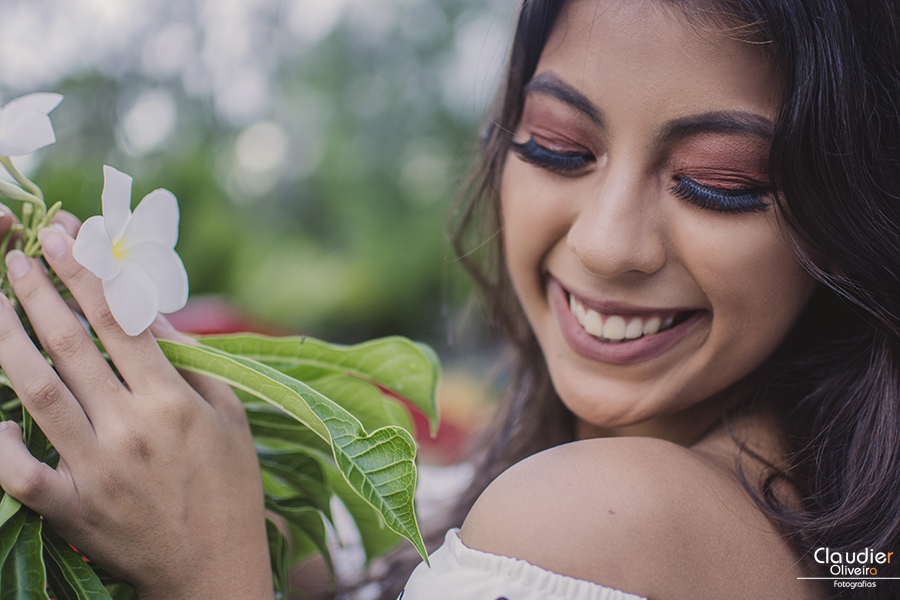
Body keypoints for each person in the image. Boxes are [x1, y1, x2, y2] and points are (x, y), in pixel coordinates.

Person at [0, 0, 898, 598]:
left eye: (719, 181)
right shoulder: (836, 534)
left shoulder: (601, 509)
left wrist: (212, 570)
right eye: (556, 145)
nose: (605, 244)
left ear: (848, 212)